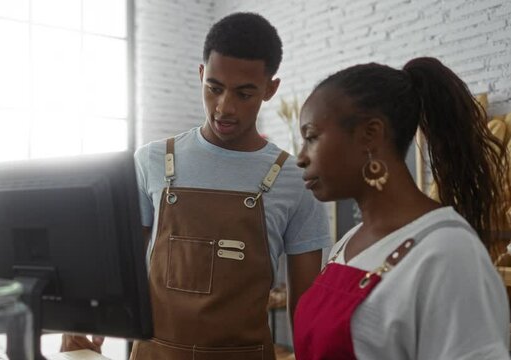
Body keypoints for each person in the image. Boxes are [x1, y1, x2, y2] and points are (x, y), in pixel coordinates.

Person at [62, 12, 332, 360]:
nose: (224, 108)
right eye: (214, 88)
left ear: (270, 89)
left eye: (244, 93)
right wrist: (82, 320)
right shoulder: (153, 161)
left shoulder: (295, 179)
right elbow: (121, 267)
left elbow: (305, 303)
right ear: (201, 74)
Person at [292, 57, 511, 359]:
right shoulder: (347, 244)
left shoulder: (447, 253)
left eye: (311, 137)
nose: (301, 157)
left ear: (371, 134)